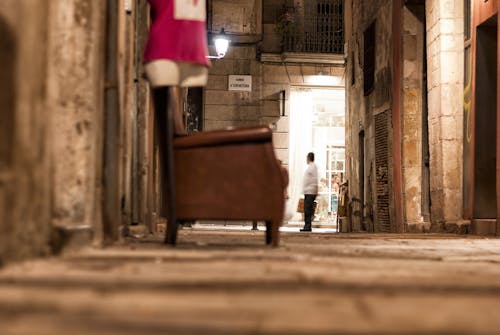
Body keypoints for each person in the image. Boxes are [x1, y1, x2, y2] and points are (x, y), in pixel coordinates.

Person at [301, 152, 318, 232]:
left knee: (307, 209)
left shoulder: (312, 167)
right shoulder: (312, 167)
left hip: (310, 191)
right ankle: (307, 225)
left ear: (308, 158)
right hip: (309, 191)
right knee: (307, 209)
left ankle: (307, 226)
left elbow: (312, 180)